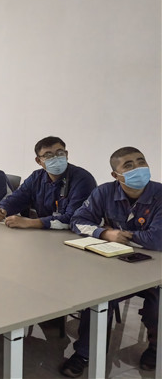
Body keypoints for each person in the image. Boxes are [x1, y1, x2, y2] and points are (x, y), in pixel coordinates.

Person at [60, 147, 161, 377]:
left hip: (154, 270)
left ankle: (156, 347)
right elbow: (78, 221)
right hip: (115, 266)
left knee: (157, 307)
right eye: (129, 165)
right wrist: (105, 233)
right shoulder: (105, 192)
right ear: (116, 175)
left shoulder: (160, 194)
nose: (138, 168)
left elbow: (157, 239)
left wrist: (121, 235)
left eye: (141, 162)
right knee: (97, 299)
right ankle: (84, 353)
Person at [0, 136, 97, 229]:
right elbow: (17, 198)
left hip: (74, 235)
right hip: (45, 233)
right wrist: (1, 209)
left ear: (66, 154)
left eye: (60, 153)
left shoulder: (83, 179)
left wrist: (31, 223)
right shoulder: (36, 177)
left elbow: (74, 218)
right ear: (38, 161)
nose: (56, 158)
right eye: (48, 155)